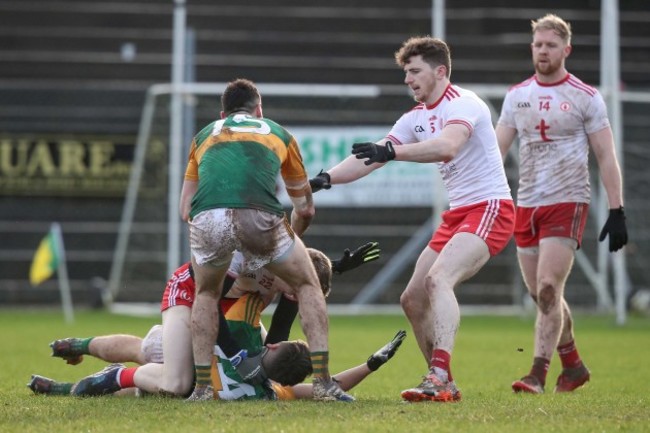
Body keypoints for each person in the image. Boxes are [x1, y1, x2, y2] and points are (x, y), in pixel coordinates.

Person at [309, 36, 514, 403]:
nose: (408, 80)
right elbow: (370, 157)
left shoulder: (464, 103)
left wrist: (391, 151)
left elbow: (447, 146)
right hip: (458, 216)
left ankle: (437, 376)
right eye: (406, 73)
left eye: (415, 71)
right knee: (412, 299)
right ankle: (443, 383)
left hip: (490, 208)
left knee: (438, 280)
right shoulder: (414, 118)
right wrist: (326, 179)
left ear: (441, 71)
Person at [179, 78, 352, 401]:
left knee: (205, 293)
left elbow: (185, 208)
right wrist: (287, 244)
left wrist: (214, 231)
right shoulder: (278, 132)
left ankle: (202, 388)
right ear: (259, 110)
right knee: (307, 284)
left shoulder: (203, 136)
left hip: (207, 218)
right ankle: (323, 383)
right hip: (259, 215)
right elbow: (306, 209)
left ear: (222, 114)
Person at [36, 242, 379, 398]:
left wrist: (257, 363)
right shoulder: (252, 257)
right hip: (194, 293)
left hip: (229, 308)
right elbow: (209, 301)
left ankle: (83, 358)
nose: (300, 298)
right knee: (174, 378)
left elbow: (277, 335)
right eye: (302, 291)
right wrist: (237, 354)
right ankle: (111, 372)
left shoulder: (294, 283)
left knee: (156, 356)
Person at [495, 14, 628, 394]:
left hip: (567, 201)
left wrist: (617, 210)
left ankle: (537, 373)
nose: (542, 51)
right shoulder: (517, 95)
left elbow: (606, 155)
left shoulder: (585, 96)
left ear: (565, 50)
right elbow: (496, 151)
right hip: (527, 203)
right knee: (541, 296)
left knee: (550, 289)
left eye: (550, 45)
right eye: (537, 44)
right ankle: (574, 365)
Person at [29, 325, 406, 401]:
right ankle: (60, 389)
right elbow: (324, 388)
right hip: (165, 391)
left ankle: (79, 344)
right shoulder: (268, 393)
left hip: (178, 363)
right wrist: (371, 365)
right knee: (125, 383)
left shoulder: (250, 336)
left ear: (272, 348)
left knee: (140, 347)